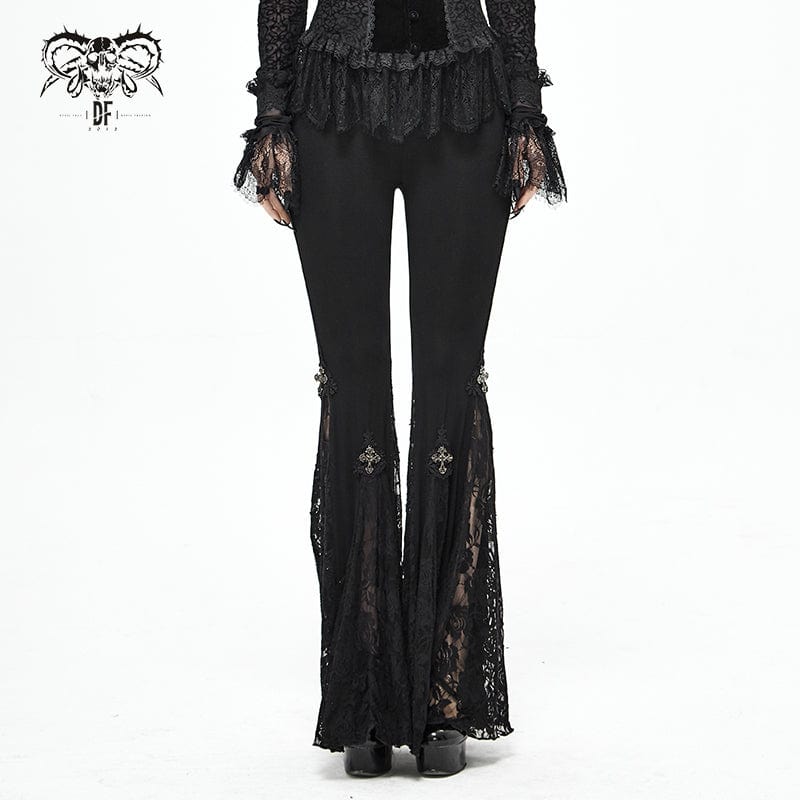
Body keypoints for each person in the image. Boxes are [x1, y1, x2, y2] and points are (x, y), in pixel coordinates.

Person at [233, 0, 566, 778]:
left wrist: (525, 113)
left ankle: (444, 691)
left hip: (464, 101)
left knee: (451, 384)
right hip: (335, 104)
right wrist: (273, 119)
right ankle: (366, 695)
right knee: (352, 390)